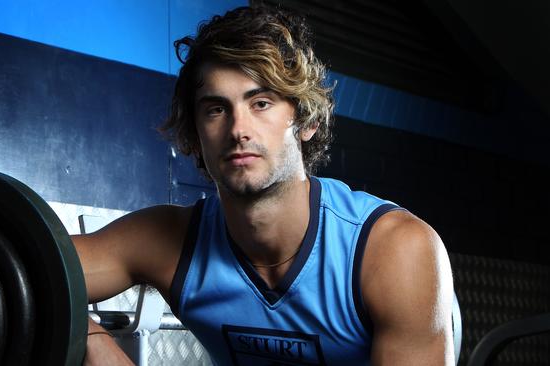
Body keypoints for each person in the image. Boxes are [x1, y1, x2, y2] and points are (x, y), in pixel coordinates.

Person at [75, 5, 455, 365]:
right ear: (195, 135)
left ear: (306, 122)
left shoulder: (393, 251)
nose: (238, 130)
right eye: (216, 109)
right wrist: (91, 342)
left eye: (261, 103)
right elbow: (37, 264)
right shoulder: (168, 242)